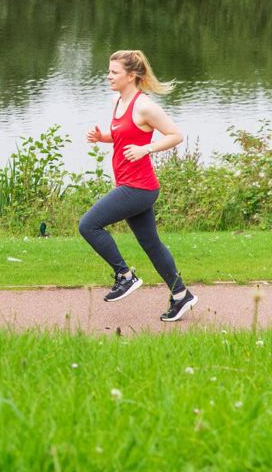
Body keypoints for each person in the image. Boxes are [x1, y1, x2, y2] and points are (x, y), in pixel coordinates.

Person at [81, 50, 195, 322]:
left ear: (131, 76)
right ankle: (181, 296)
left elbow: (176, 135)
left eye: (114, 72)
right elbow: (124, 134)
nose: (109, 76)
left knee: (88, 225)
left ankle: (125, 276)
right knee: (152, 245)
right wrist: (103, 137)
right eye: (109, 71)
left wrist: (147, 149)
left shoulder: (145, 106)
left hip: (139, 187)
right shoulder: (118, 101)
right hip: (131, 184)